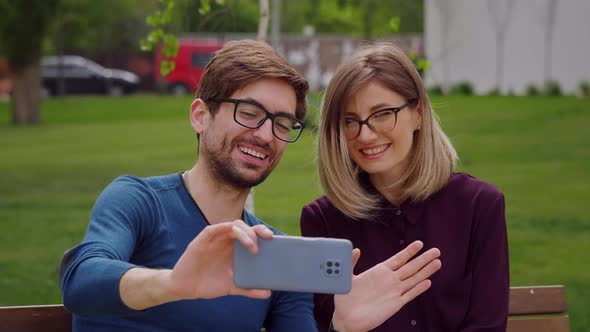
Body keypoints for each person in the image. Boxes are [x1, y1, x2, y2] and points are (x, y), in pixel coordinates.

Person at [58, 39, 317, 331]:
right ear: (200, 116)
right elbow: (81, 280)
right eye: (248, 112)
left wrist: (343, 325)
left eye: (282, 123)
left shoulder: (274, 254)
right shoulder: (139, 201)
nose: (266, 135)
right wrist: (173, 284)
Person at [300, 42, 509, 331]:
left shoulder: (480, 206)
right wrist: (341, 327)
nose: (365, 134)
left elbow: (487, 325)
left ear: (418, 113)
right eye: (350, 121)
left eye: (382, 113)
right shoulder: (321, 222)